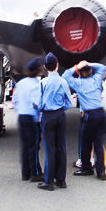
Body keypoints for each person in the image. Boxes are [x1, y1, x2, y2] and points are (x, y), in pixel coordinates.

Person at [63, 60, 106, 180]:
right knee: (98, 144)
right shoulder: (97, 79)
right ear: (91, 71)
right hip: (101, 113)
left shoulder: (79, 84)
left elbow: (65, 75)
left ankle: (86, 168)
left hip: (89, 115)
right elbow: (103, 67)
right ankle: (101, 172)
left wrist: (77, 66)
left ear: (81, 73)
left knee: (85, 142)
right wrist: (89, 63)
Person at [37, 53, 73, 191]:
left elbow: (39, 104)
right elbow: (69, 103)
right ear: (57, 64)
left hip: (48, 116)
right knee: (61, 148)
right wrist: (59, 109)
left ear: (45, 67)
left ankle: (49, 182)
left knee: (50, 149)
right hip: (60, 115)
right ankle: (61, 180)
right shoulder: (63, 81)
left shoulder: (43, 83)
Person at [13, 57, 44, 182]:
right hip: (32, 119)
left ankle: (25, 173)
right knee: (34, 147)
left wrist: (20, 109)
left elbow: (15, 100)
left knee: (25, 146)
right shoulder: (37, 85)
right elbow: (37, 103)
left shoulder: (21, 83)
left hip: (22, 116)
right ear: (37, 71)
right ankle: (35, 173)